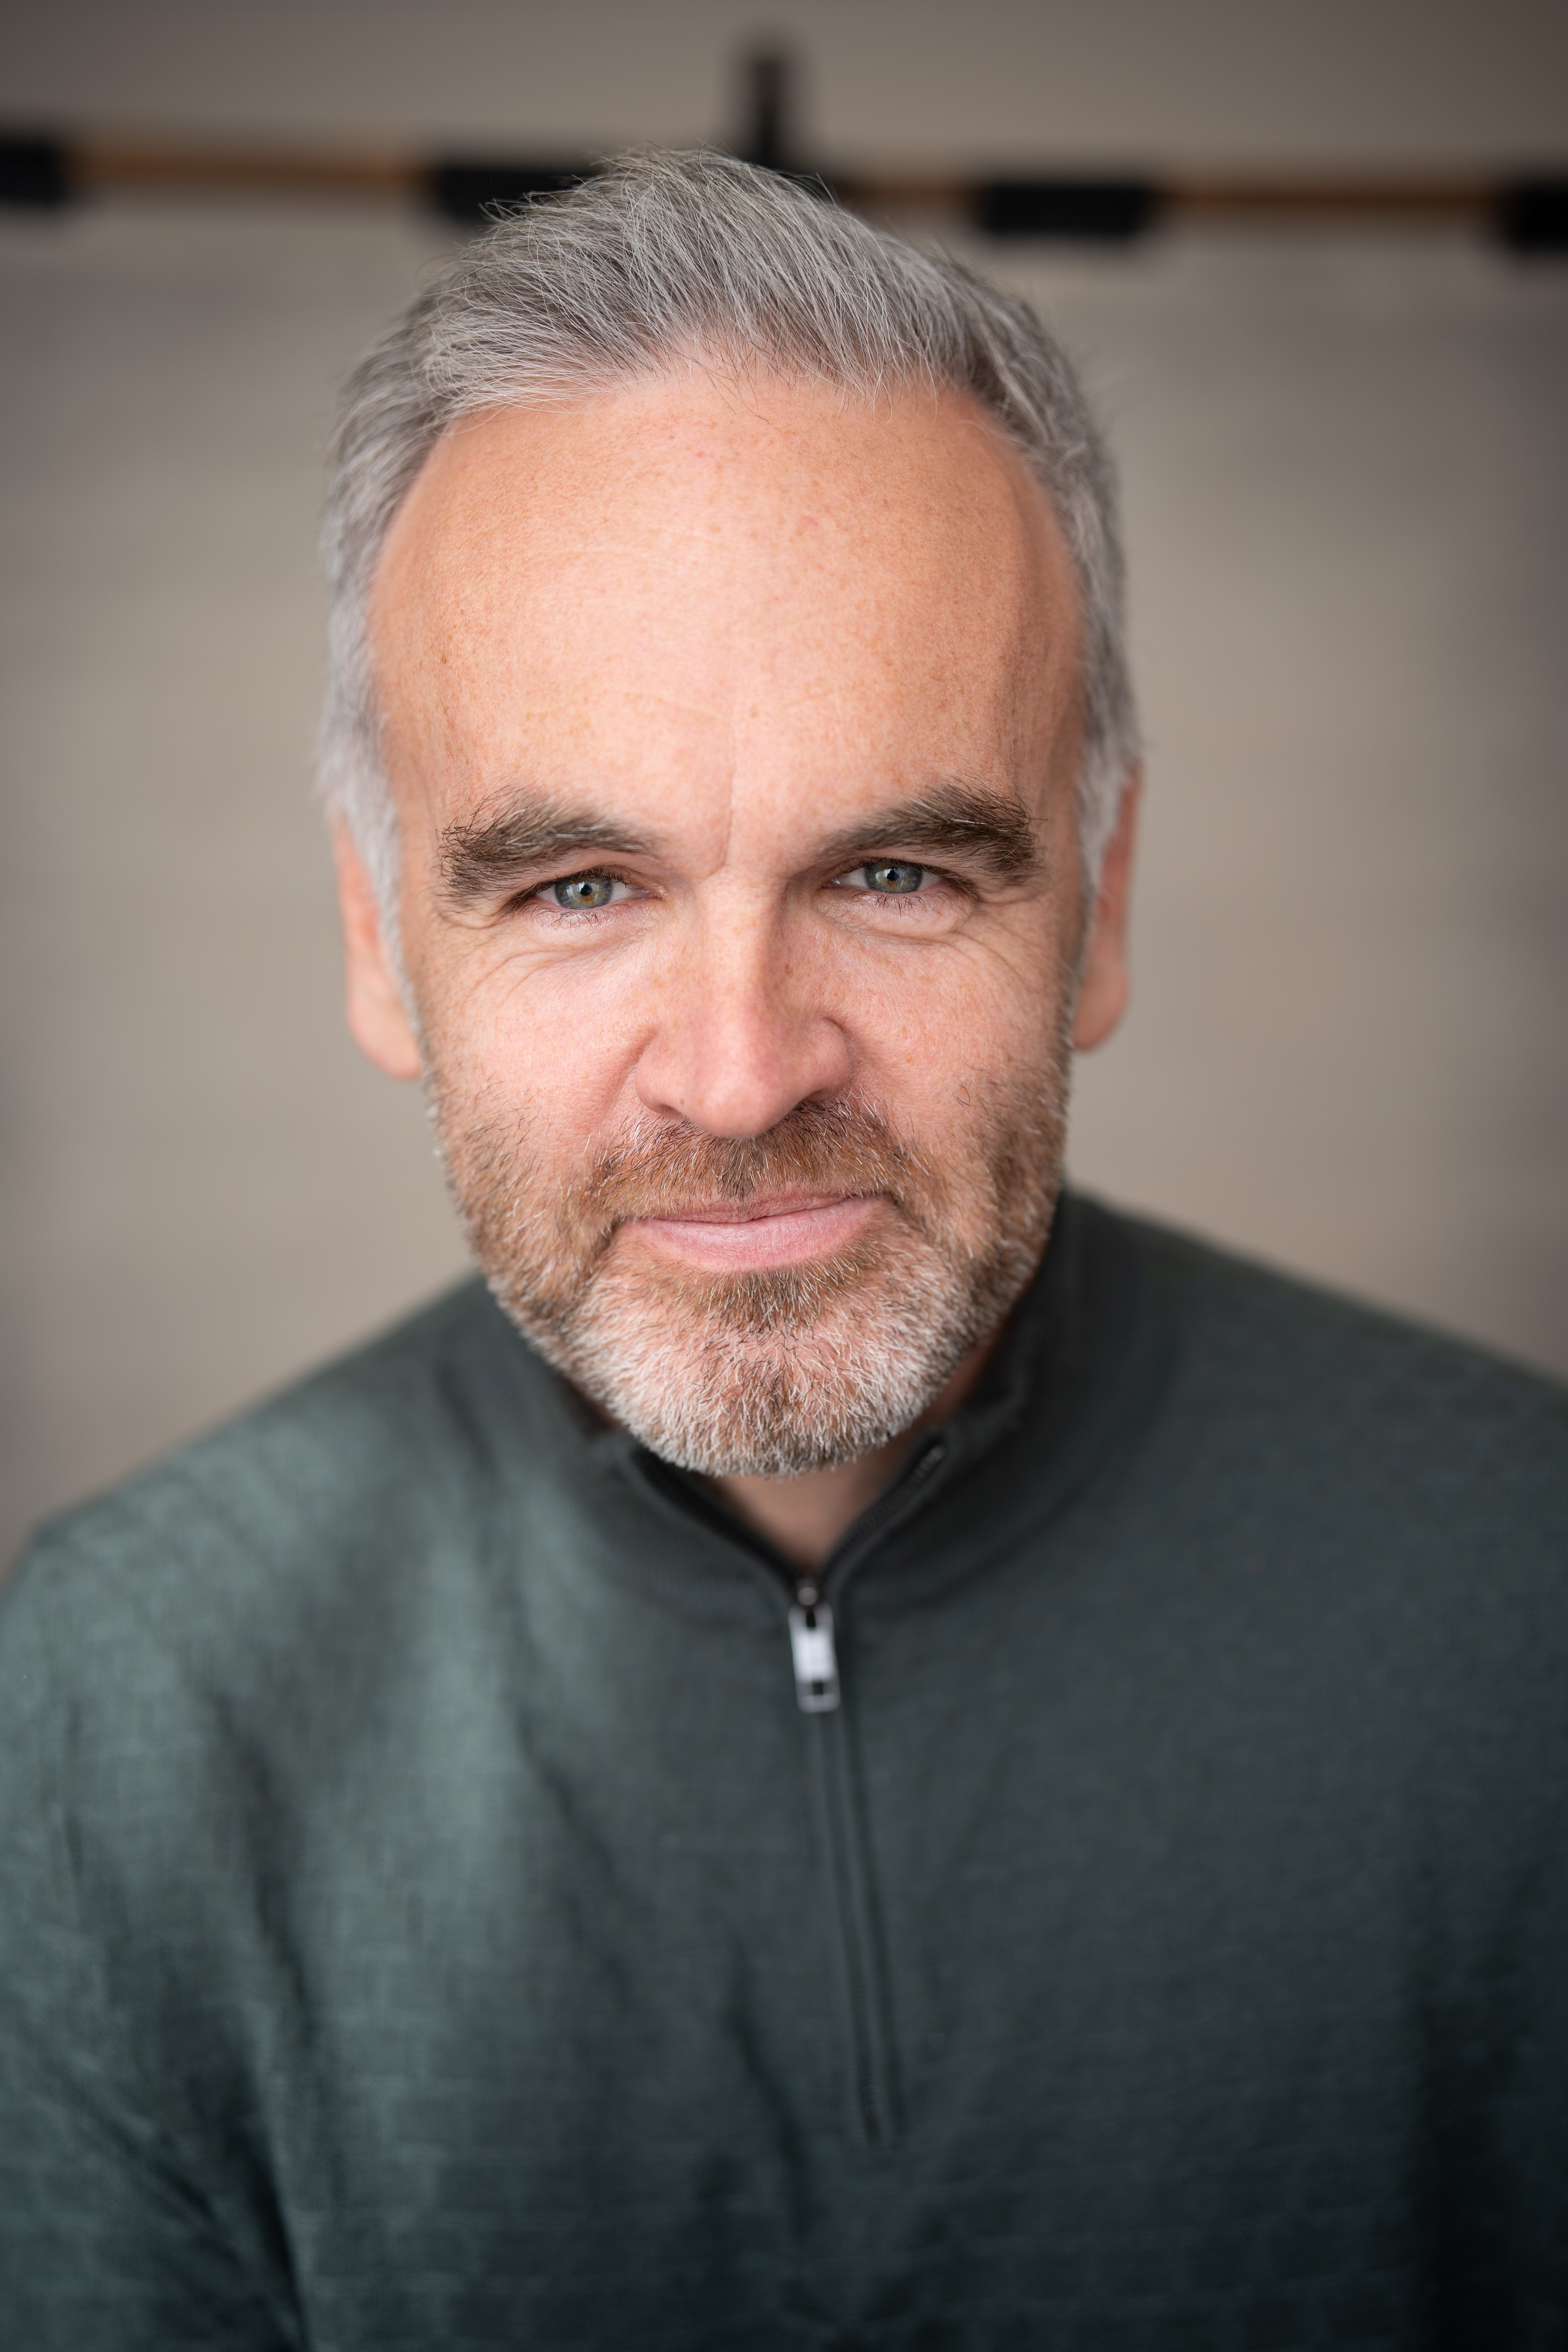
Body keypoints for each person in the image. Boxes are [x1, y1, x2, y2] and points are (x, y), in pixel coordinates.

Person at [1, 151, 1564, 2350]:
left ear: (1095, 911)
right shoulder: (123, 1708)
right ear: (380, 943)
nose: (739, 1077)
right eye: (577, 890)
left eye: (903, 872)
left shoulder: (1527, 1593)